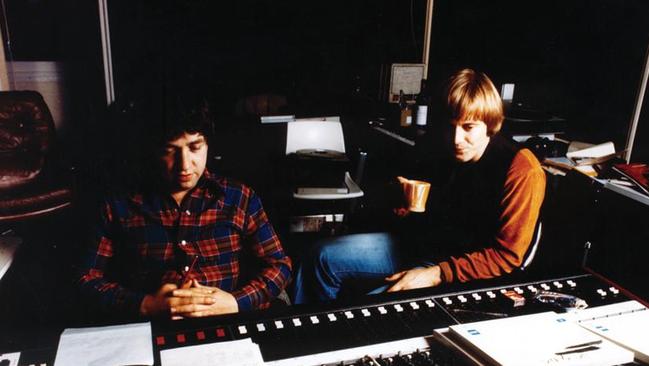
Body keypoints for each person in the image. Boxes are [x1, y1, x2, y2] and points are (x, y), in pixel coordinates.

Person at [293, 69, 546, 303]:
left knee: (373, 304)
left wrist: (435, 274)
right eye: (451, 126)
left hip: (462, 271)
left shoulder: (522, 169)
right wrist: (399, 201)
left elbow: (507, 257)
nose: (457, 139)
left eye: (469, 128)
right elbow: (424, 212)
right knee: (319, 257)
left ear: (490, 124)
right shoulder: (445, 148)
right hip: (425, 248)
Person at [78, 97, 292, 320]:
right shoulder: (118, 204)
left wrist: (235, 302)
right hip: (153, 325)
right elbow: (86, 278)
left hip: (229, 320)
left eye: (194, 147)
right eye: (169, 150)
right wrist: (144, 305)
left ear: (208, 144)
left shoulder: (240, 198)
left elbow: (280, 266)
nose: (184, 165)